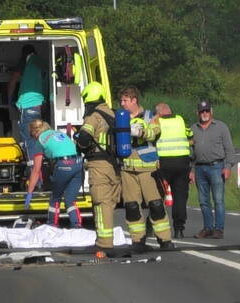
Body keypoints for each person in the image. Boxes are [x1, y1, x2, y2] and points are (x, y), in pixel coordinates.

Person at [118, 87, 172, 251]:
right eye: (121, 101)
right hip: (127, 169)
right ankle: (137, 240)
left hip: (148, 169)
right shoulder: (120, 118)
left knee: (156, 205)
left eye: (125, 100)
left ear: (134, 100)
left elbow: (155, 133)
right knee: (132, 207)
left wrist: (141, 132)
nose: (122, 104)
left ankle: (165, 240)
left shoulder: (150, 116)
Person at [75, 82, 119, 249]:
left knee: (101, 203)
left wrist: (78, 142)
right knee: (110, 202)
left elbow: (84, 138)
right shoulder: (114, 114)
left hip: (99, 165)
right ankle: (107, 238)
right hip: (115, 165)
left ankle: (104, 242)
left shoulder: (94, 116)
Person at [24, 119, 84, 228]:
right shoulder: (57, 133)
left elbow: (36, 170)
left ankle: (52, 225)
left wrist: (29, 193)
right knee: (70, 199)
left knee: (55, 198)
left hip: (64, 165)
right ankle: (77, 225)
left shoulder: (40, 141)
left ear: (34, 133)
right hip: (78, 164)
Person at [191, 99, 236, 239]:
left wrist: (228, 167)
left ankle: (219, 229)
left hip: (217, 166)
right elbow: (190, 151)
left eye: (207, 110)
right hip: (199, 168)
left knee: (218, 200)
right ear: (197, 113)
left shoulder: (221, 127)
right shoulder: (193, 129)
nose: (204, 113)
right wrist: (190, 170)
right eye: (201, 111)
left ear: (211, 111)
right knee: (203, 201)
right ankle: (208, 228)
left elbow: (229, 149)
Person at [154, 102, 193, 239]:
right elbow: (190, 133)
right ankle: (179, 229)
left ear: (159, 113)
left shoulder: (157, 121)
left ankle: (154, 227)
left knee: (156, 196)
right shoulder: (180, 119)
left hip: (164, 163)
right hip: (182, 162)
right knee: (180, 197)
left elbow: (151, 137)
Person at [7, 44, 46, 160]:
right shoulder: (42, 62)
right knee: (38, 137)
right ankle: (40, 167)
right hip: (39, 106)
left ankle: (33, 170)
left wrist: (9, 100)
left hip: (27, 106)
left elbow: (13, 79)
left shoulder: (27, 60)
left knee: (29, 142)